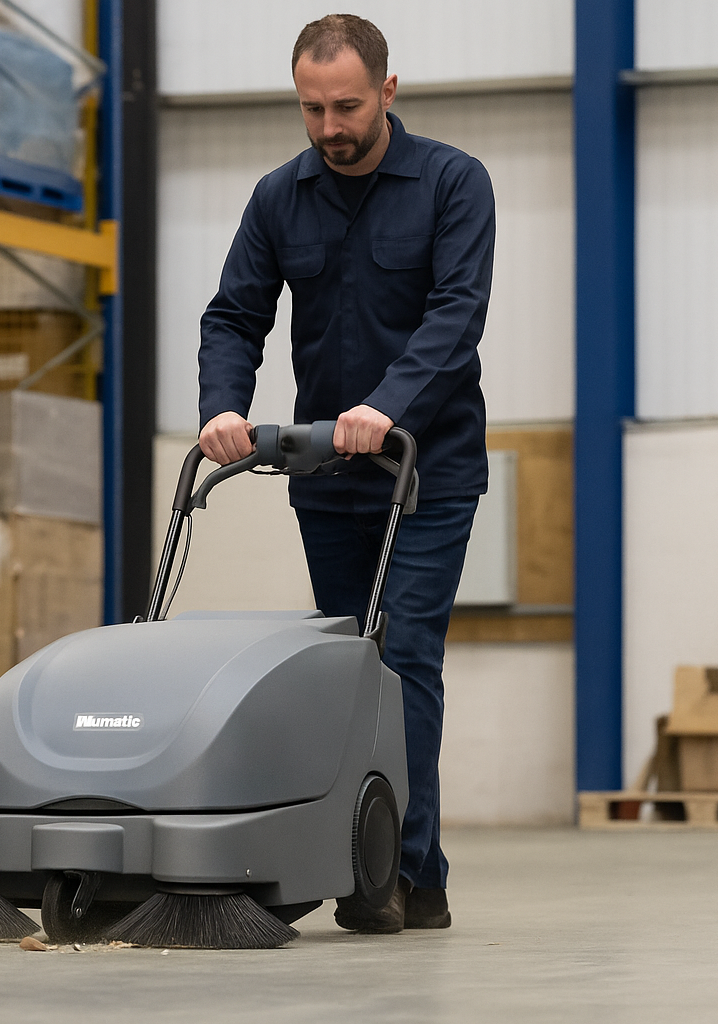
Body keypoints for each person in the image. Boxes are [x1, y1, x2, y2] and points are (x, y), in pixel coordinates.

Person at [197, 14, 495, 933]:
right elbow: (233, 314)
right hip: (326, 476)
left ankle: (399, 875)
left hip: (427, 471)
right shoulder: (278, 198)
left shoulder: (453, 183)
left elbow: (457, 314)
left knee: (400, 661)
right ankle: (386, 865)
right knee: (347, 672)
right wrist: (224, 406)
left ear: (388, 92)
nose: (331, 127)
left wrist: (387, 407)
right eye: (313, 108)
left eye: (348, 107)